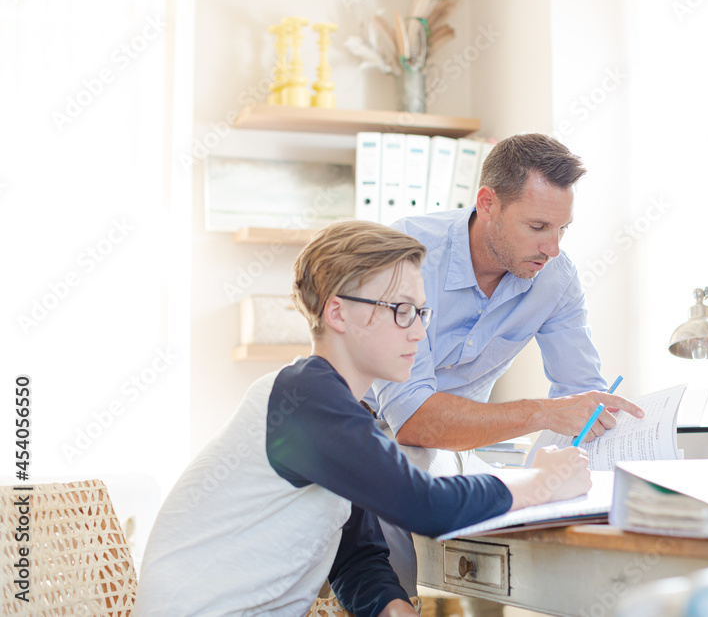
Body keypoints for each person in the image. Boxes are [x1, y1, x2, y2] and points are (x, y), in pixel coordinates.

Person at [134, 221, 590, 617]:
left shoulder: (342, 418)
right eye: (401, 311)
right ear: (338, 313)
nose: (418, 330)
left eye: (421, 312)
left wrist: (394, 608)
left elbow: (356, 557)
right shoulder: (304, 398)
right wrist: (540, 482)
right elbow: (424, 505)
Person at [363, 134, 643, 600]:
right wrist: (542, 414)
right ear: (487, 203)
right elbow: (411, 422)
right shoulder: (405, 255)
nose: (552, 247)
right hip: (371, 430)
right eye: (537, 226)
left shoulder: (555, 278)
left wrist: (587, 440)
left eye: (562, 229)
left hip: (454, 446)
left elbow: (581, 395)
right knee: (393, 488)